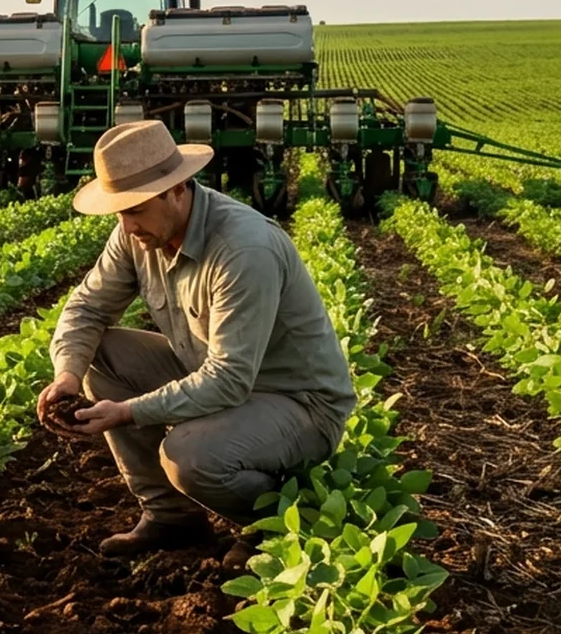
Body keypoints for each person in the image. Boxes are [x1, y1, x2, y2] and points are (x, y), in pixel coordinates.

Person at [36, 120, 355, 558]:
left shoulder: (244, 249)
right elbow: (87, 309)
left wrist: (129, 412)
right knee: (99, 354)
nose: (127, 226)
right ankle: (171, 519)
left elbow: (229, 379)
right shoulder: (138, 234)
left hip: (296, 402)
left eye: (136, 210)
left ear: (179, 189)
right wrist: (67, 376)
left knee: (188, 456)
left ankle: (279, 527)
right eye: (120, 212)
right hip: (210, 371)